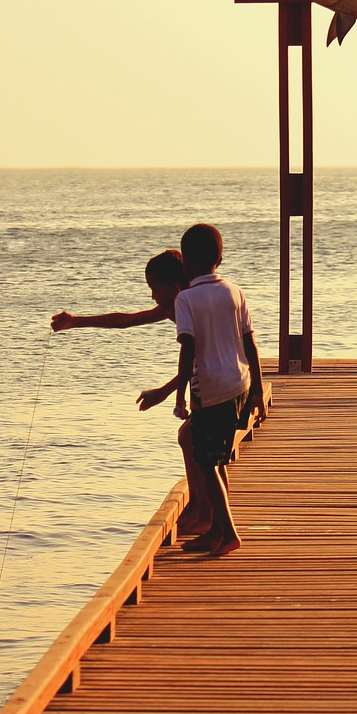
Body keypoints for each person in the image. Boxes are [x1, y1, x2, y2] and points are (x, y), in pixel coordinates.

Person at [50, 250, 212, 534]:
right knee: (190, 438)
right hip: (207, 377)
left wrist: (166, 393)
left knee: (194, 440)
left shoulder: (192, 307)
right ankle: (200, 506)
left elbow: (196, 356)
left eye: (154, 289)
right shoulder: (172, 306)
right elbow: (124, 320)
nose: (152, 296)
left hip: (219, 378)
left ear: (174, 287)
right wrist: (76, 321)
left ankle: (206, 512)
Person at [138, 223, 265, 558]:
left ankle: (228, 532)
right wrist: (258, 391)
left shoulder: (187, 299)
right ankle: (214, 529)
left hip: (213, 390)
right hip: (240, 384)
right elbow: (250, 342)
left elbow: (188, 349)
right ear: (219, 259)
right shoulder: (235, 291)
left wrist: (177, 396)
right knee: (213, 457)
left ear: (187, 264)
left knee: (207, 462)